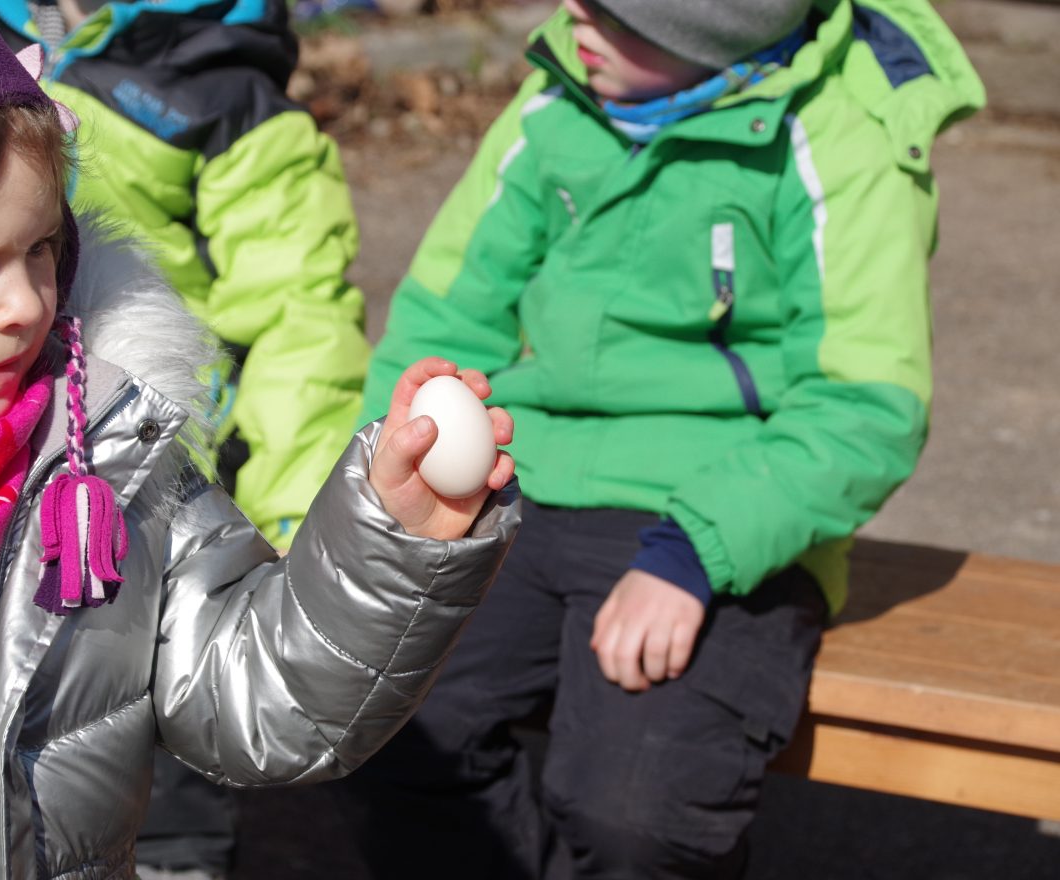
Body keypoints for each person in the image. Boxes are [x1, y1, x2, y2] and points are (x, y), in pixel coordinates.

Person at [0, 4, 519, 879]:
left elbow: (260, 697)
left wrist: (394, 539)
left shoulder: (100, 453)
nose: (28, 303)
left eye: (41, 248)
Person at [335, 0, 984, 877]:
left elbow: (866, 402)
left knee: (634, 813)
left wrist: (695, 550)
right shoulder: (554, 106)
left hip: (714, 517)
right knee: (387, 724)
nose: (573, 13)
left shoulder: (840, 142)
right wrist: (380, 490)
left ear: (710, 28)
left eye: (613, 9)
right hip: (528, 479)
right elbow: (446, 317)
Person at [0, 5, 370, 872]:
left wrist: (300, 523)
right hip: (22, 448)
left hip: (149, 464)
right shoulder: (35, 43)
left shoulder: (235, 106)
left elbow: (301, 329)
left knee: (148, 726)